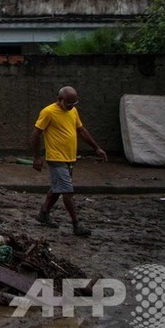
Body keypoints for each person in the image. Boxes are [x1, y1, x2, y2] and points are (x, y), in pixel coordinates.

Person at [31, 85, 107, 237]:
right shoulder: (48, 112)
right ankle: (76, 224)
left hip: (69, 157)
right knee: (67, 191)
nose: (71, 106)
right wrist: (37, 157)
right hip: (56, 158)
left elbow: (81, 130)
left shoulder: (72, 111)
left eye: (74, 103)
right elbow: (35, 134)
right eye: (68, 103)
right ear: (59, 100)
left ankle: (44, 214)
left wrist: (96, 148)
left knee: (57, 188)